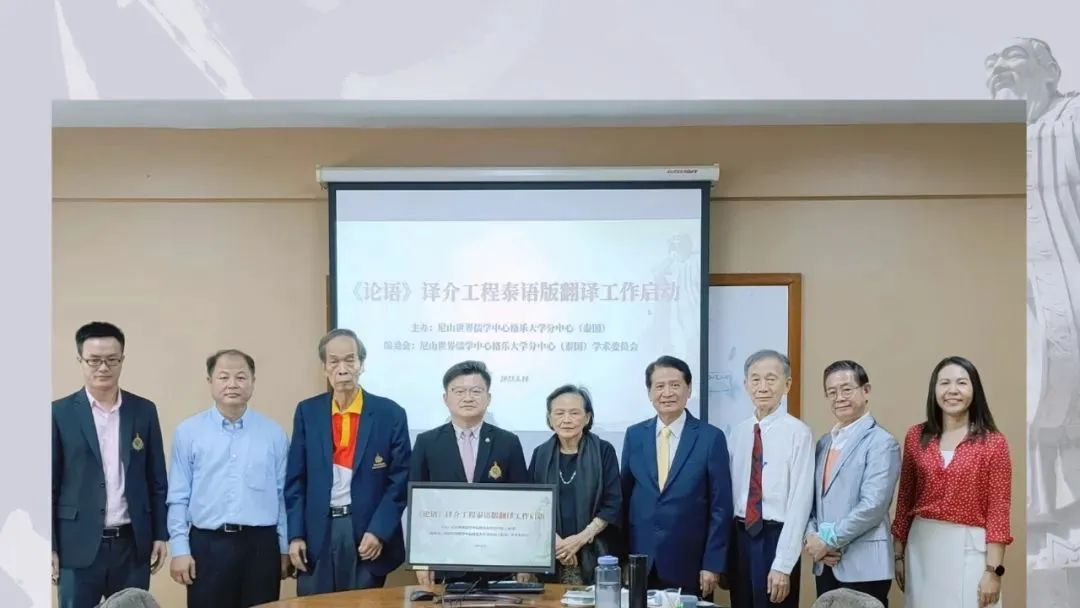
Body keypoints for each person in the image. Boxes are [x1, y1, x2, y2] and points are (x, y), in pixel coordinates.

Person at [284, 329, 412, 595]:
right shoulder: (308, 412)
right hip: (316, 534)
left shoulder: (390, 414)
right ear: (324, 367)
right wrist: (295, 534)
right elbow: (295, 480)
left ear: (361, 364)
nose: (342, 369)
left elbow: (399, 482)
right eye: (334, 361)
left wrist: (379, 531)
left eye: (349, 360)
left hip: (365, 535)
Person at [52, 322, 169, 608]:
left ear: (122, 360)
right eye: (94, 360)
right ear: (80, 360)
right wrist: (49, 546)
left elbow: (156, 478)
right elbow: (48, 485)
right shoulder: (59, 413)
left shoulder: (143, 410)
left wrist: (160, 534)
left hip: (131, 543)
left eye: (111, 360)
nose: (103, 367)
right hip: (76, 544)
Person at [166, 349, 291, 607]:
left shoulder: (273, 433)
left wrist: (284, 548)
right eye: (223, 377)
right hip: (208, 545)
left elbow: (282, 496)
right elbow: (178, 496)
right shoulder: (188, 432)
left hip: (260, 546)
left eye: (241, 377)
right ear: (210, 381)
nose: (232, 384)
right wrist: (179, 549)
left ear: (253, 382)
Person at [891, 356, 1012, 608]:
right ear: (934, 389)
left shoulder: (993, 442)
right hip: (922, 548)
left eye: (962, 383)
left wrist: (993, 571)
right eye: (944, 383)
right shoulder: (916, 436)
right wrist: (898, 554)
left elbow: (998, 512)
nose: (952, 390)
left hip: (971, 550)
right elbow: (905, 498)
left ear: (974, 390)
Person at [409, 359, 530, 586]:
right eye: (459, 391)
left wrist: (522, 559)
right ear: (445, 398)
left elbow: (522, 502)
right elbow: (417, 504)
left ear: (488, 398)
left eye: (476, 391)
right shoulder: (427, 443)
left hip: (498, 558)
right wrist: (421, 559)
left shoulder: (508, 442)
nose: (468, 398)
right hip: (444, 558)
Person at [620, 355, 732, 598]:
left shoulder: (711, 438)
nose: (667, 393)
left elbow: (721, 508)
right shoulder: (634, 435)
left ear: (688, 389)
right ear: (649, 393)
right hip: (641, 562)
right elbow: (625, 499)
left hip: (690, 564)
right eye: (659, 386)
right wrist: (624, 558)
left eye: (675, 385)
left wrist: (712, 563)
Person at [804, 361, 900, 606]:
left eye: (846, 389)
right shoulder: (824, 443)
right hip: (826, 562)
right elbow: (811, 502)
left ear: (866, 391)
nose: (839, 398)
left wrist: (828, 541)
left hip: (864, 565)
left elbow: (873, 505)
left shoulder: (882, 442)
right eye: (832, 392)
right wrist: (812, 538)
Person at [727, 349, 814, 608]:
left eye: (771, 379)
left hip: (776, 537)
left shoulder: (799, 433)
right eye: (755, 379)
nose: (762, 387)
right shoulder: (738, 433)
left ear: (787, 384)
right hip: (740, 536)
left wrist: (784, 564)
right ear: (746, 385)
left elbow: (800, 502)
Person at [527, 385, 622, 585]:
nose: (566, 419)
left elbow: (612, 504)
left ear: (587, 417)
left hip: (594, 552)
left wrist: (579, 540)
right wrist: (558, 543)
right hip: (551, 552)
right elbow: (532, 505)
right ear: (549, 418)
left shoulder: (603, 451)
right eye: (559, 413)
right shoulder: (540, 454)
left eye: (574, 413)